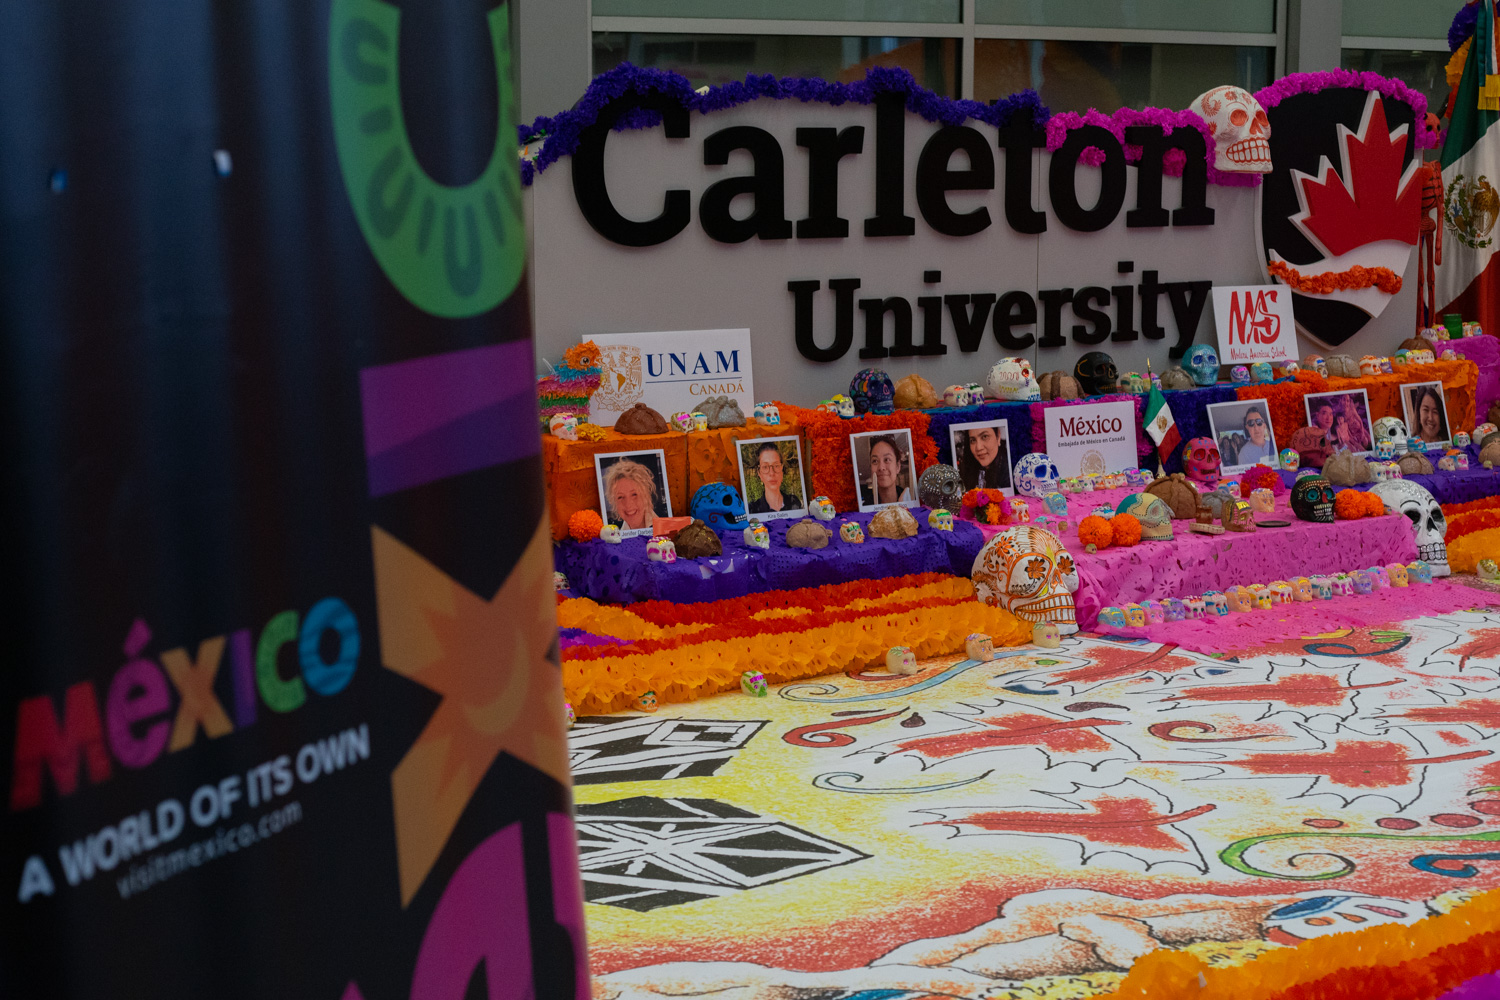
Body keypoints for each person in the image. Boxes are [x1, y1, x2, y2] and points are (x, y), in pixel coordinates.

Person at [602, 457, 661, 531]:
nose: (628, 504)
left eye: (634, 494)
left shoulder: (666, 528)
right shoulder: (615, 534)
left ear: (646, 495)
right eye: (620, 497)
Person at [747, 442, 803, 514]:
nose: (772, 473)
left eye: (776, 466)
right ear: (759, 473)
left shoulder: (794, 503)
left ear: (782, 471)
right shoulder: (753, 510)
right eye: (765, 467)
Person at [861, 434, 914, 507]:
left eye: (887, 459)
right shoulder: (865, 508)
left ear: (898, 467)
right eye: (875, 461)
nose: (881, 467)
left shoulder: (911, 501)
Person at [957, 425, 1010, 490]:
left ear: (998, 436)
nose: (978, 448)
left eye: (985, 437)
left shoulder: (1010, 473)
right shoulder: (968, 470)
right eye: (973, 440)